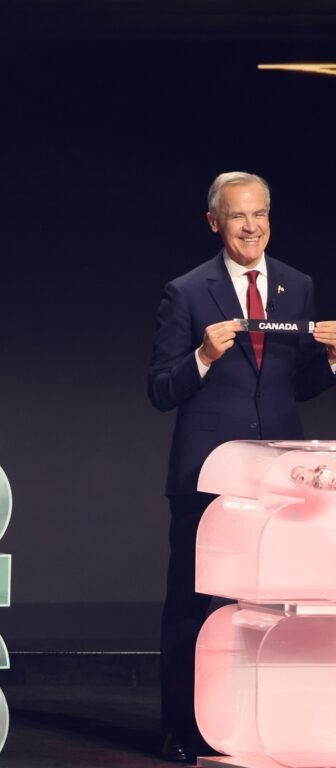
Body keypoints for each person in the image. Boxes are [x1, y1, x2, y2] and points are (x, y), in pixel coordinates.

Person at [148, 171, 336, 762]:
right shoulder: (186, 292)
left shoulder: (296, 286)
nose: (251, 226)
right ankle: (181, 730)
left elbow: (295, 384)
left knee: (280, 607)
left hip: (281, 483)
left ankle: (268, 726)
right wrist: (203, 356)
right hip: (207, 475)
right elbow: (160, 389)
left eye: (259, 214)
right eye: (237, 216)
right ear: (215, 222)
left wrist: (333, 361)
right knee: (190, 604)